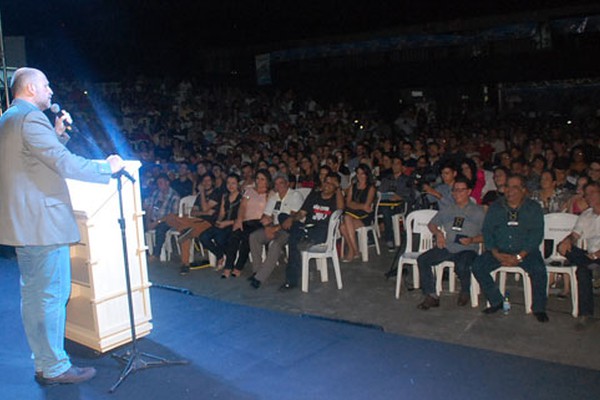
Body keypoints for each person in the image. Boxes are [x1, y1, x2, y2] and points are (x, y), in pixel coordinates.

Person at [0, 67, 124, 385]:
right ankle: (55, 366)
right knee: (54, 294)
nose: (51, 90)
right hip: (43, 223)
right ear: (29, 89)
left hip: (24, 224)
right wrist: (105, 168)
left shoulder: (9, 118)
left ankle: (44, 360)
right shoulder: (30, 118)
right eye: (45, 85)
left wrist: (57, 134)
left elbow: (31, 160)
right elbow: (63, 162)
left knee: (33, 296)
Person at [472, 174, 549, 323]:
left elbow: (536, 235)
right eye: (507, 187)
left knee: (539, 270)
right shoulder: (496, 207)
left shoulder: (533, 208)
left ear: (523, 190)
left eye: (515, 187)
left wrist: (519, 256)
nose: (510, 191)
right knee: (478, 266)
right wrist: (495, 252)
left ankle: (539, 308)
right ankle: (496, 301)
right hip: (499, 250)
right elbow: (487, 232)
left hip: (525, 252)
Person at [416, 177, 485, 310]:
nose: (457, 193)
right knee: (423, 259)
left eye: (461, 190)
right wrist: (438, 233)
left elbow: (487, 236)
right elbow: (432, 224)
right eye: (455, 190)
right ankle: (431, 295)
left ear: (469, 192)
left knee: (462, 265)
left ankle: (465, 290)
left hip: (468, 248)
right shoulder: (448, 209)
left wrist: (472, 240)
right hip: (449, 246)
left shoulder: (478, 211)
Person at [280, 173, 345, 290]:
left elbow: (341, 209)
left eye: (331, 183)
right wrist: (291, 218)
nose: (327, 185)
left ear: (336, 186)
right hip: (307, 227)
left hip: (321, 232)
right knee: (283, 217)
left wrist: (339, 188)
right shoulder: (314, 195)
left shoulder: (336, 198)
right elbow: (302, 213)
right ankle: (303, 238)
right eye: (326, 181)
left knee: (293, 240)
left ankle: (291, 280)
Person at [248, 173, 304, 288]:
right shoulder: (274, 197)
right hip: (273, 227)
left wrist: (274, 229)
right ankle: (256, 271)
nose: (279, 186)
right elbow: (266, 215)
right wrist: (268, 227)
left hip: (290, 230)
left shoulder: (295, 195)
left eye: (281, 183)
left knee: (275, 244)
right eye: (276, 184)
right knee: (254, 237)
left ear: (287, 183)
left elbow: (291, 219)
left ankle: (260, 278)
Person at [557, 181, 600, 330]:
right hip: (590, 256)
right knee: (564, 248)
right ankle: (585, 313)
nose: (590, 197)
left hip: (597, 255)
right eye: (587, 194)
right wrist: (567, 240)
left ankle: (590, 264)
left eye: (593, 193)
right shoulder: (586, 214)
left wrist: (596, 255)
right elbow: (575, 235)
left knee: (583, 268)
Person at [221, 169, 271, 278]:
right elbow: (243, 206)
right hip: (246, 221)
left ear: (267, 180)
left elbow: (271, 211)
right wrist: (239, 219)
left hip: (259, 222)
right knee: (234, 236)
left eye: (262, 179)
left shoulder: (269, 194)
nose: (259, 181)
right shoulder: (249, 191)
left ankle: (238, 267)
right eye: (257, 178)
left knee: (246, 239)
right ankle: (228, 266)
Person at [199, 173, 242, 269]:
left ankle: (228, 259)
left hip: (235, 224)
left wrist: (226, 223)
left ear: (238, 184)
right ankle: (220, 255)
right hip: (223, 223)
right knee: (203, 237)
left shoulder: (242, 197)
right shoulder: (225, 196)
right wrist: (218, 222)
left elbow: (243, 217)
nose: (230, 186)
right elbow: (222, 213)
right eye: (228, 183)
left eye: (233, 183)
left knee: (220, 238)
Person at [340, 164, 377, 262]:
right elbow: (347, 203)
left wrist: (355, 205)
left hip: (365, 217)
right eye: (358, 173)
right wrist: (360, 206)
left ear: (367, 174)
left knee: (345, 221)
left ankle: (353, 251)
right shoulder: (353, 186)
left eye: (362, 174)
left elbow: (367, 206)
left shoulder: (371, 188)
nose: (360, 176)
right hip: (353, 215)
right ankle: (354, 250)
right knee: (342, 226)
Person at [378, 155, 415, 251]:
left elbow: (411, 196)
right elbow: (380, 192)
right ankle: (371, 237)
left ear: (402, 166)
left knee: (386, 212)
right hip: (385, 203)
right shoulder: (386, 179)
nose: (395, 166)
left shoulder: (407, 180)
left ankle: (389, 239)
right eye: (393, 164)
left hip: (400, 205)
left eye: (397, 164)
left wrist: (400, 197)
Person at [144, 173, 181, 260]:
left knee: (160, 229)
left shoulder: (174, 195)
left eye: (161, 183)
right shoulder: (156, 193)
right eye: (158, 184)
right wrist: (148, 221)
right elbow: (150, 208)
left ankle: (156, 254)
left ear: (167, 183)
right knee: (139, 225)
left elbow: (173, 215)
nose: (159, 185)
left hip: (167, 220)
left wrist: (157, 222)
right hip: (155, 218)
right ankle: (145, 251)